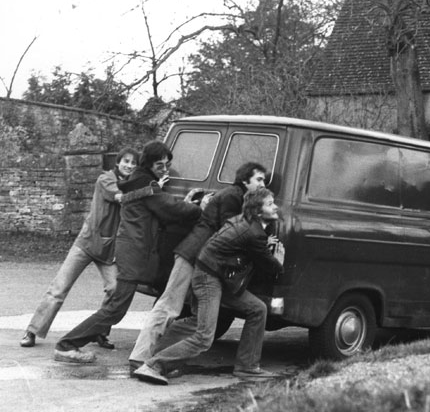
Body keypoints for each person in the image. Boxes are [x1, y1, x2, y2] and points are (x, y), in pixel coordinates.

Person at [53, 140, 202, 363]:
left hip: (136, 250)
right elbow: (170, 208)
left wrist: (185, 203)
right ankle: (67, 345)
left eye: (167, 165)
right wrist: (200, 208)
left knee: (141, 300)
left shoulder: (143, 181)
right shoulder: (143, 183)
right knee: (116, 309)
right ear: (149, 164)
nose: (165, 170)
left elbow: (162, 207)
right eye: (160, 165)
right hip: (133, 252)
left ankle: (153, 345)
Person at [133, 187, 284, 385]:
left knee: (257, 309)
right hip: (208, 278)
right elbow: (272, 269)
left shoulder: (249, 224)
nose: (276, 207)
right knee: (204, 337)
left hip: (217, 277)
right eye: (270, 204)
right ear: (257, 211)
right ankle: (154, 365)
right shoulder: (252, 232)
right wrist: (279, 259)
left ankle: (247, 367)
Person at [20, 147, 139, 348]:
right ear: (117, 163)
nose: (129, 165)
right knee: (59, 289)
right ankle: (32, 331)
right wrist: (150, 190)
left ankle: (98, 331)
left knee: (115, 288)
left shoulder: (132, 185)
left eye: (134, 163)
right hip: (86, 243)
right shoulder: (105, 179)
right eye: (126, 161)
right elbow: (119, 197)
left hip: (108, 250)